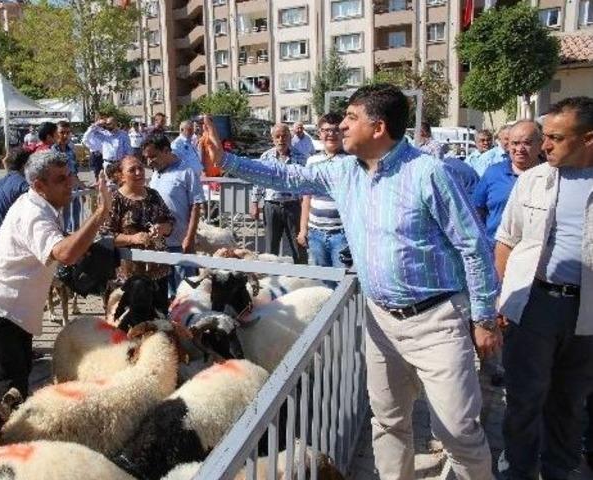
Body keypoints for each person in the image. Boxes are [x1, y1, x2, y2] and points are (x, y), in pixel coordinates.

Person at [205, 84, 498, 479]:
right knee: (389, 420)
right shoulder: (342, 172)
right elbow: (286, 175)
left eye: (350, 117)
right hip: (380, 321)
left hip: (437, 322)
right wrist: (226, 160)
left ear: (378, 128)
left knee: (459, 430)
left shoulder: (429, 173)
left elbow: (474, 246)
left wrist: (483, 318)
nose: (341, 124)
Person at [494, 96, 593, 480]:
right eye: (544, 136)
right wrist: (506, 299)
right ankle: (516, 469)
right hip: (534, 304)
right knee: (523, 400)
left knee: (570, 402)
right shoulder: (533, 180)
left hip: (586, 313)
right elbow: (506, 241)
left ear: (587, 139)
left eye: (555, 137)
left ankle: (559, 469)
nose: (544, 144)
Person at [0, 151, 113, 398]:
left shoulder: (40, 205)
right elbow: (65, 254)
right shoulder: (33, 213)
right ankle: (5, 435)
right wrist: (99, 214)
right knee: (10, 393)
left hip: (14, 312)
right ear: (38, 185)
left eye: (68, 176)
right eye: (60, 179)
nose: (70, 183)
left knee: (19, 384)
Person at [102, 155, 174, 313]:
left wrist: (162, 228)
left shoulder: (153, 195)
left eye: (140, 168)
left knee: (160, 318)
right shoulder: (115, 200)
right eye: (132, 170)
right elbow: (105, 235)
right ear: (120, 175)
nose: (138, 172)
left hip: (158, 272)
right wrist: (132, 238)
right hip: (129, 277)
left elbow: (170, 223)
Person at [142, 134, 206, 298]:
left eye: (152, 156)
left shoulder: (186, 172)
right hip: (159, 245)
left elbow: (196, 206)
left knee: (186, 294)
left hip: (180, 244)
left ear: (165, 150)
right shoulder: (156, 174)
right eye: (147, 158)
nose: (149, 162)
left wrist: (189, 238)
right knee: (165, 294)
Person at [473, 120, 543, 242]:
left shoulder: (552, 174)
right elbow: (477, 211)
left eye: (527, 143)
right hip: (497, 252)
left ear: (540, 144)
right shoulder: (493, 173)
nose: (520, 149)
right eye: (515, 143)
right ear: (508, 145)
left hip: (537, 254)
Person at [250, 123, 307, 262]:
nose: (281, 139)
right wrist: (254, 203)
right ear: (272, 138)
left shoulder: (301, 158)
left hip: (293, 206)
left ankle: (302, 279)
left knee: (299, 246)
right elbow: (259, 181)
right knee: (270, 248)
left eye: (284, 136)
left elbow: (306, 184)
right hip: (271, 206)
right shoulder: (265, 157)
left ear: (290, 137)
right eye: (277, 136)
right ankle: (271, 279)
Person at [299, 113, 348, 268]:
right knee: (321, 283)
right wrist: (302, 229)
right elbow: (307, 197)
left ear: (342, 133)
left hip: (342, 234)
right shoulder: (312, 162)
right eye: (326, 130)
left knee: (342, 282)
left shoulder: (352, 161)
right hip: (316, 234)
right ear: (319, 134)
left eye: (335, 130)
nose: (331, 134)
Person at [50, 121, 83, 232]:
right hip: (62, 189)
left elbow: (74, 172)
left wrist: (81, 187)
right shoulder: (53, 151)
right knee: (64, 219)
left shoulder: (70, 150)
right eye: (62, 132)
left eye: (67, 133)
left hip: (74, 189)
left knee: (76, 217)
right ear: (56, 133)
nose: (65, 136)